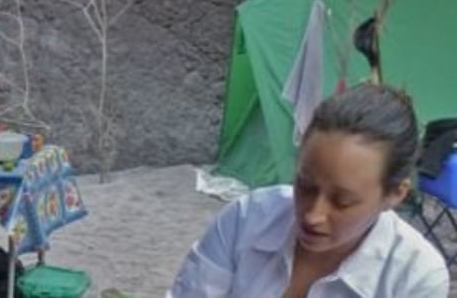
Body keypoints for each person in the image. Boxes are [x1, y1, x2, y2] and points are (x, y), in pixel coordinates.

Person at [168, 83, 449, 298]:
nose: (314, 215)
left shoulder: (415, 276)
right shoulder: (247, 219)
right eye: (305, 185)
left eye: (343, 201)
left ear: (395, 194)